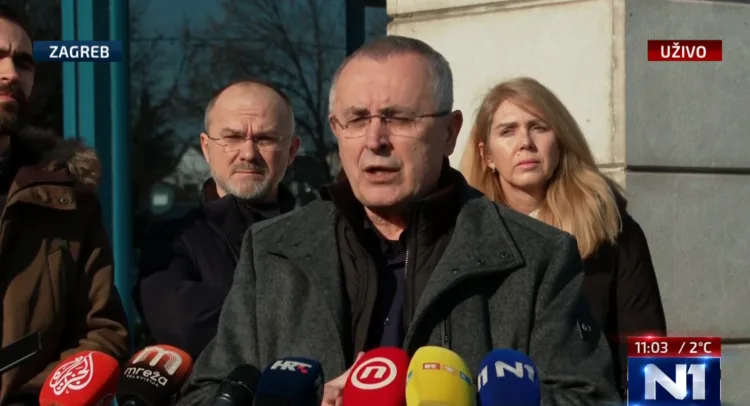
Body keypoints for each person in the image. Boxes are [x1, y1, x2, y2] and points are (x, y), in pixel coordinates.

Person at [176, 36, 619, 405]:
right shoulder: (271, 250)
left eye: (399, 118)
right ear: (336, 130)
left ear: (450, 133)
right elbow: (206, 394)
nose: (375, 140)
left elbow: (589, 397)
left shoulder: (537, 256)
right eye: (356, 119)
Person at [460, 76, 667, 398]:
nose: (525, 143)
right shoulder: (461, 237)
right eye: (508, 131)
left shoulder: (611, 230)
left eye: (539, 127)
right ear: (487, 156)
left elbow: (651, 353)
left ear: (561, 140)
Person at [0, 5, 129, 404]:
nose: (11, 73)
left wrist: (39, 399)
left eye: (23, 62)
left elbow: (101, 332)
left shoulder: (68, 200)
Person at [134, 79, 301, 360]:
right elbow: (184, 327)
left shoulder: (318, 236)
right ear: (206, 147)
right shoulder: (170, 241)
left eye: (265, 139)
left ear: (292, 151)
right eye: (232, 138)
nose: (248, 153)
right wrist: (301, 315)